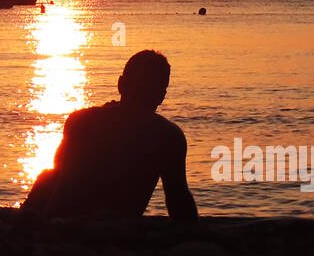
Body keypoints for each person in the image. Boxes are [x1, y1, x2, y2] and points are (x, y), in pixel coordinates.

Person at [22, 50, 198, 221]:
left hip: (63, 226)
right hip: (117, 230)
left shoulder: (80, 120)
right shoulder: (168, 137)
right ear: (161, 96)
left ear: (120, 84)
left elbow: (59, 175)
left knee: (48, 175)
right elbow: (178, 199)